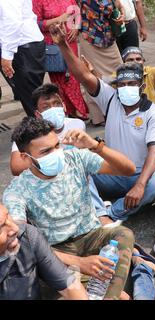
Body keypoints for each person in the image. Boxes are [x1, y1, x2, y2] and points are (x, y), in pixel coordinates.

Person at [2, 117, 137, 300]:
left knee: (124, 234)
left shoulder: (74, 158)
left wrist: (95, 146)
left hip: (92, 236)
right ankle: (107, 289)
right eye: (46, 151)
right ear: (26, 157)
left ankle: (106, 294)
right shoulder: (18, 189)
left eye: (57, 145)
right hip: (56, 251)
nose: (57, 153)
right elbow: (25, 242)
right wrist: (80, 263)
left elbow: (128, 170)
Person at [50, 23, 155, 224]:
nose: (126, 88)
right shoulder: (111, 99)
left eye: (131, 84)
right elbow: (84, 76)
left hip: (138, 173)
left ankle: (112, 213)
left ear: (140, 86)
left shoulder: (154, 113)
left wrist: (140, 185)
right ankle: (99, 211)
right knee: (76, 162)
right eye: (121, 85)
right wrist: (63, 46)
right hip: (110, 171)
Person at [9, 83, 111, 222]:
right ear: (38, 114)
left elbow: (86, 158)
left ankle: (100, 213)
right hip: (42, 177)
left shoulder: (77, 124)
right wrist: (52, 157)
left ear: (63, 106)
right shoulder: (29, 135)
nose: (53, 109)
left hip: (72, 178)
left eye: (56, 103)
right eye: (46, 106)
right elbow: (16, 168)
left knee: (80, 166)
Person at [0, 203, 88, 300]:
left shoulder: (28, 237)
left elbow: (70, 286)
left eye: (8, 215)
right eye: (1, 227)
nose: (15, 228)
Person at [32, 0, 89, 120]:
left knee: (74, 75)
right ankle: (64, 109)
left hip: (70, 40)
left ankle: (79, 109)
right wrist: (58, 19)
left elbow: (76, 12)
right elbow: (36, 23)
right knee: (59, 79)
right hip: (53, 43)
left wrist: (75, 28)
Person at [78, 0, 126, 126]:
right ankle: (100, 117)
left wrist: (122, 16)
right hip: (90, 37)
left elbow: (120, 7)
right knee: (93, 75)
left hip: (108, 37)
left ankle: (125, 107)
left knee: (121, 72)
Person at [0, 0, 45, 117]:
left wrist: (7, 55)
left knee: (34, 100)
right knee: (32, 97)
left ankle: (47, 132)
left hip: (22, 47)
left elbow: (12, 22)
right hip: (22, 46)